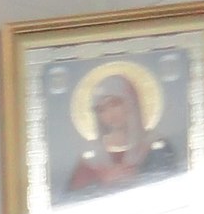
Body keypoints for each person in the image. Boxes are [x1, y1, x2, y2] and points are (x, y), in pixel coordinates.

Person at [63, 66, 181, 198]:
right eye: (102, 109)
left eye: (115, 104)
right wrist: (102, 181)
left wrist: (136, 176)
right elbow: (73, 198)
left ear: (131, 102)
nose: (110, 114)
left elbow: (172, 188)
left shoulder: (156, 145)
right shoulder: (91, 155)